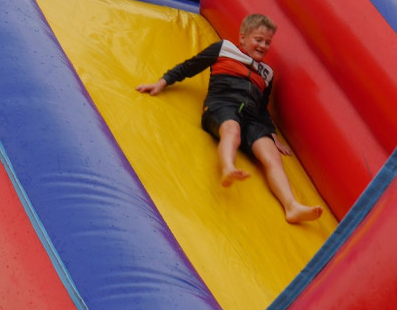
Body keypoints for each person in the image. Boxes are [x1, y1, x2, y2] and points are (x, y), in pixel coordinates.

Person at [136, 13, 322, 224]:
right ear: (242, 38)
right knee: (231, 131)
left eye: (267, 42)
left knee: (271, 155)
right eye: (258, 39)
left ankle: (291, 206)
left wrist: (272, 135)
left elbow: (262, 109)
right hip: (221, 107)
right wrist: (162, 82)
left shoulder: (267, 74)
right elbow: (189, 66)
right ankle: (227, 167)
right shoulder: (225, 49)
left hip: (252, 120)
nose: (263, 45)